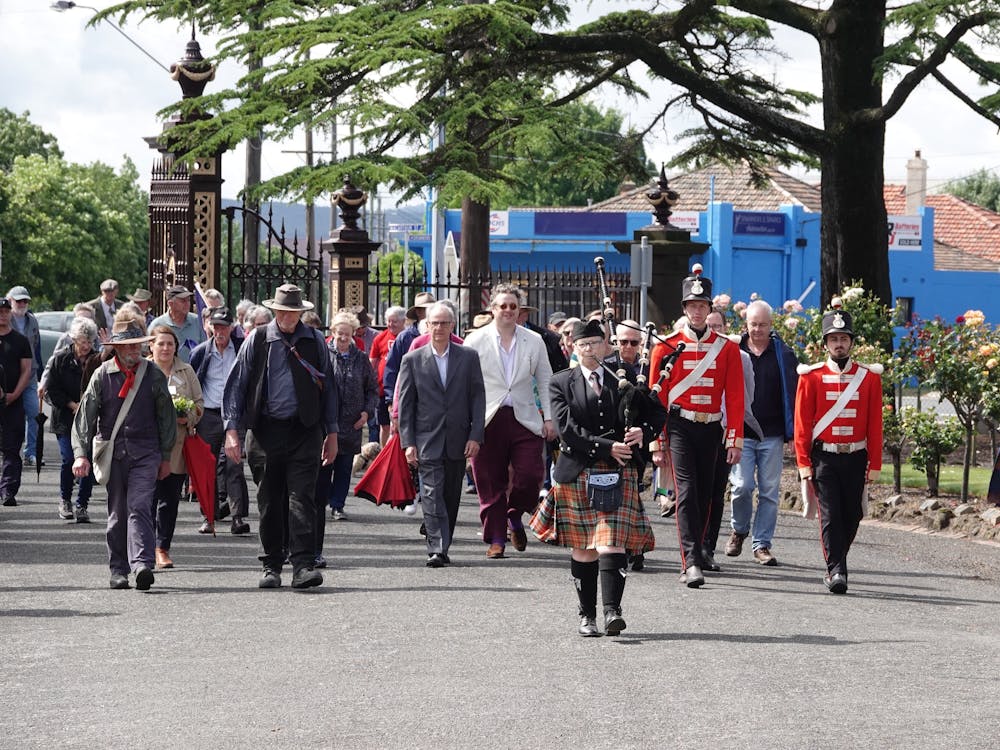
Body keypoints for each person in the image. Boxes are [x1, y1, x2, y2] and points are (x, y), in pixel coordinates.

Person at [530, 319, 666, 637]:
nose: (590, 349)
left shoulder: (624, 378)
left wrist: (640, 433)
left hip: (616, 471)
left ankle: (612, 612)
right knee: (584, 548)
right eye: (583, 344)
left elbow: (657, 413)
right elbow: (566, 430)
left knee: (612, 543)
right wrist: (609, 446)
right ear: (574, 348)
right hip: (578, 469)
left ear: (607, 346)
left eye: (596, 343)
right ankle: (587, 616)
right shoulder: (561, 382)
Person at [223, 283, 339, 590]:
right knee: (270, 501)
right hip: (264, 431)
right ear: (275, 311)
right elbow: (236, 385)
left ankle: (303, 565)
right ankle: (271, 565)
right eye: (283, 312)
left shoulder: (315, 341)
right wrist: (232, 430)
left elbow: (330, 391)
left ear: (302, 312)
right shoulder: (258, 339)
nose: (288, 317)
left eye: (294, 312)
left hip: (305, 430)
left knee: (303, 498)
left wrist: (333, 433)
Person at [649, 264, 744, 588]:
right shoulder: (666, 346)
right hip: (680, 426)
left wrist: (734, 439)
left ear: (709, 308)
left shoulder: (727, 348)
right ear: (685, 309)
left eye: (703, 306)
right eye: (692, 306)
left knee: (706, 495)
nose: (698, 311)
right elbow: (657, 398)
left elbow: (734, 397)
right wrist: (657, 442)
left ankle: (701, 551)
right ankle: (689, 561)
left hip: (712, 428)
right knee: (687, 493)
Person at [71, 320, 176, 590]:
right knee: (117, 512)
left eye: (136, 345)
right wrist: (80, 454)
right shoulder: (102, 375)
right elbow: (85, 418)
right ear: (116, 348)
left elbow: (167, 417)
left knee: (139, 505)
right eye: (126, 345)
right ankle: (118, 569)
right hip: (114, 454)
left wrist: (166, 456)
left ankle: (142, 564)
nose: (132, 350)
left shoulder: (152, 374)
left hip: (146, 453)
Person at [794, 306, 883, 595]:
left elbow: (874, 425)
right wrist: (804, 464)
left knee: (853, 514)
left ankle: (836, 560)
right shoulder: (811, 377)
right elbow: (802, 426)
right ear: (825, 344)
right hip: (825, 457)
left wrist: (876, 464)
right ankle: (837, 571)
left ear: (852, 342)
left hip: (856, 456)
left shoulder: (869, 378)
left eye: (844, 338)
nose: (839, 344)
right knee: (830, 515)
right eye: (834, 339)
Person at [465, 284, 554, 558]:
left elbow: (546, 379)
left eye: (513, 306)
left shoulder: (533, 340)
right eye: (502, 306)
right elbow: (465, 385)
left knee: (530, 475)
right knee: (489, 481)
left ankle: (514, 516)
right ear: (492, 309)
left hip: (524, 418)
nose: (508, 311)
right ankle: (496, 539)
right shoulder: (475, 341)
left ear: (520, 311)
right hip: (487, 418)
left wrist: (549, 418)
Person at [397, 302, 485, 567]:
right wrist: (408, 442)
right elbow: (406, 404)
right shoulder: (412, 359)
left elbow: (477, 397)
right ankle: (437, 548)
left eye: (444, 323)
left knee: (449, 495)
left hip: (459, 437)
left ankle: (443, 539)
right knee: (432, 493)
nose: (438, 328)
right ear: (427, 326)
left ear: (452, 326)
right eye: (434, 323)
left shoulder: (468, 357)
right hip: (427, 437)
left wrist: (476, 434)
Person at [725, 300, 799, 566]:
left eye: (763, 325)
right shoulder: (733, 351)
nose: (757, 329)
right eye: (753, 324)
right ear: (746, 324)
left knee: (769, 492)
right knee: (742, 486)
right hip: (742, 433)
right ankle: (739, 530)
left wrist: (793, 434)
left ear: (771, 325)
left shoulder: (784, 353)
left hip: (773, 433)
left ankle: (762, 544)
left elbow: (793, 395)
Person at [702, 310, 759, 572]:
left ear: (725, 327)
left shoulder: (740, 356)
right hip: (696, 429)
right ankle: (692, 548)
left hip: (725, 431)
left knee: (715, 492)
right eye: (709, 325)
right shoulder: (692, 351)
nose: (714, 329)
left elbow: (745, 397)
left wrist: (735, 433)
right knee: (694, 492)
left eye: (718, 325)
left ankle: (707, 548)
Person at [190, 307, 251, 536]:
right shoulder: (200, 352)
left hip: (234, 417)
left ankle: (237, 517)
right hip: (209, 415)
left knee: (233, 466)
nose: (219, 331)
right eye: (215, 326)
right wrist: (193, 414)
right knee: (208, 467)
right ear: (209, 328)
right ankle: (209, 516)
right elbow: (193, 382)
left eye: (223, 326)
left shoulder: (241, 350)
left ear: (231, 328)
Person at [148, 325, 204, 569]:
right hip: (147, 445)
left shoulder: (186, 370)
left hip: (177, 448)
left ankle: (162, 547)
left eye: (170, 344)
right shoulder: (143, 370)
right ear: (151, 346)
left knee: (169, 500)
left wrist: (187, 415)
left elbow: (199, 404)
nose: (165, 348)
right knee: (146, 498)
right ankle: (143, 545)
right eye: (160, 343)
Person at [321, 311, 378, 524]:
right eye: (339, 333)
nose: (343, 338)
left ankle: (338, 505)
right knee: (325, 465)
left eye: (347, 334)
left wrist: (366, 413)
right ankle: (321, 501)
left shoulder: (361, 359)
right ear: (333, 332)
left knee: (345, 467)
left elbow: (372, 390)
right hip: (328, 422)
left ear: (354, 334)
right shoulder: (324, 355)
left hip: (352, 423)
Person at [45, 317, 101, 523]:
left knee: (86, 460)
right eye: (82, 341)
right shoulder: (61, 359)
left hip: (90, 419)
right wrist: (71, 404)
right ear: (74, 339)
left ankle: (82, 504)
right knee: (69, 458)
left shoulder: (97, 360)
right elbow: (52, 389)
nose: (86, 346)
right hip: (66, 418)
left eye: (89, 341)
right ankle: (65, 499)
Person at [0, 298, 34, 508]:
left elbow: (26, 371)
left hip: (13, 401)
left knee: (12, 449)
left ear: (10, 313)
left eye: (5, 311)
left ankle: (8, 491)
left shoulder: (20, 341)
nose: (2, 314)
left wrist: (14, 394)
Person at [381, 291, 435, 419]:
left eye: (430, 309)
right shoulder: (405, 338)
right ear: (418, 312)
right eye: (424, 309)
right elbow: (392, 369)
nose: (427, 313)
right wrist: (390, 401)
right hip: (409, 398)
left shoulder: (443, 335)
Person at [6, 286, 42, 469]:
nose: (22, 304)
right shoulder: (4, 320)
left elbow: (36, 347)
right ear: (10, 300)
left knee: (34, 414)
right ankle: (7, 450)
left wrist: (42, 373)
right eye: (18, 300)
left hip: (29, 375)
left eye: (25, 301)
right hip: (7, 377)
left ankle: (31, 452)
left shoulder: (32, 321)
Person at [369, 306, 406, 445]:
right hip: (383, 390)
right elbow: (372, 362)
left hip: (403, 389)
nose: (391, 324)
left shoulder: (409, 338)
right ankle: (384, 453)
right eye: (389, 321)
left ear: (403, 321)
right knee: (384, 425)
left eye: (395, 321)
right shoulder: (380, 338)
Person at [148, 285, 205, 362]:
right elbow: (147, 350)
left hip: (193, 372)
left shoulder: (198, 321)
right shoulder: (157, 324)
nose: (187, 304)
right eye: (183, 301)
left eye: (188, 300)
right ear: (170, 304)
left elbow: (205, 348)